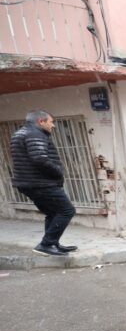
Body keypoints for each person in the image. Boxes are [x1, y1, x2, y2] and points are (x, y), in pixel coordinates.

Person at [9, 110, 78, 257]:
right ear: (41, 121)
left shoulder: (20, 133)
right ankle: (46, 244)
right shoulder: (34, 134)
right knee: (67, 210)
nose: (53, 125)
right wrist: (58, 172)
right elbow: (40, 158)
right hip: (40, 183)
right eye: (51, 122)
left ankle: (52, 243)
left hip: (30, 183)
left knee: (53, 212)